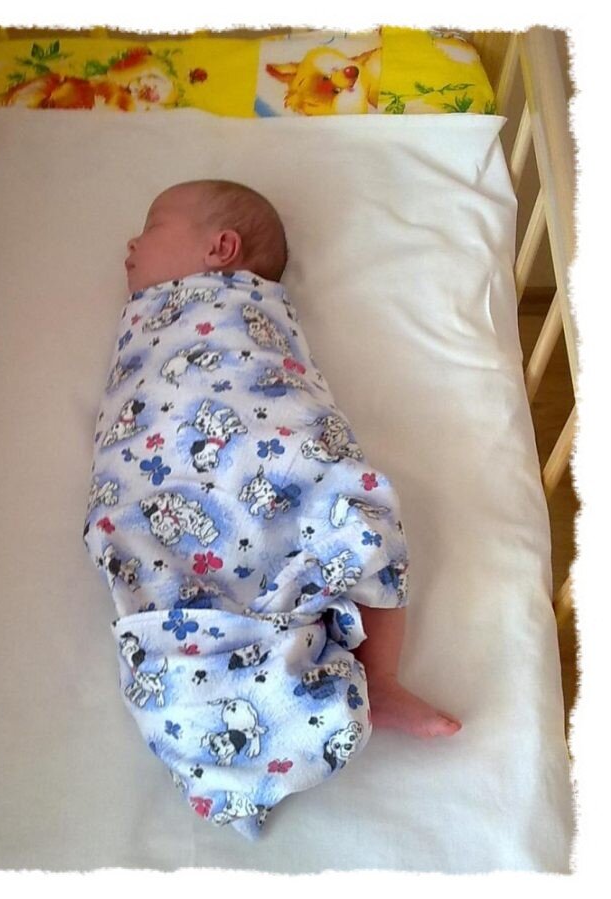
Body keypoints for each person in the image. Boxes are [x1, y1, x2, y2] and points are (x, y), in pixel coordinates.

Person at [84, 179, 461, 838]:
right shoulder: (141, 319)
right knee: (160, 606)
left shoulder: (246, 304)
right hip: (160, 492)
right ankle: (236, 730)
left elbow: (280, 377)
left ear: (220, 248)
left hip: (275, 456)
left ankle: (380, 677)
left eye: (152, 226)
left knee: (360, 511)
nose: (131, 244)